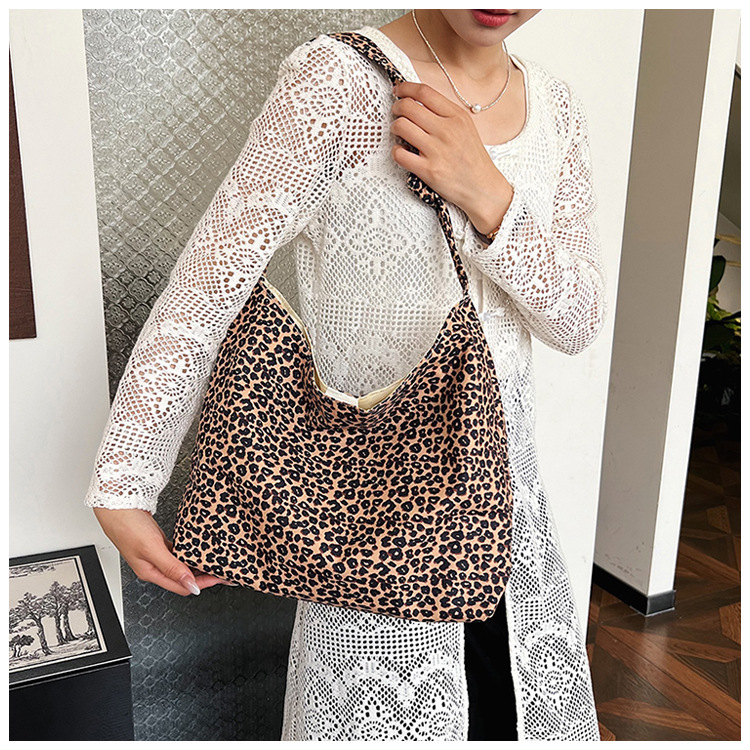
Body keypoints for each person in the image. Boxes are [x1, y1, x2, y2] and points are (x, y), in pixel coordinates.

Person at [86, 9, 605, 741]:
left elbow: (577, 323)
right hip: (371, 529)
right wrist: (125, 479)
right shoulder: (337, 81)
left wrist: (489, 195)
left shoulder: (556, 109)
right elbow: (212, 282)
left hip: (514, 535)